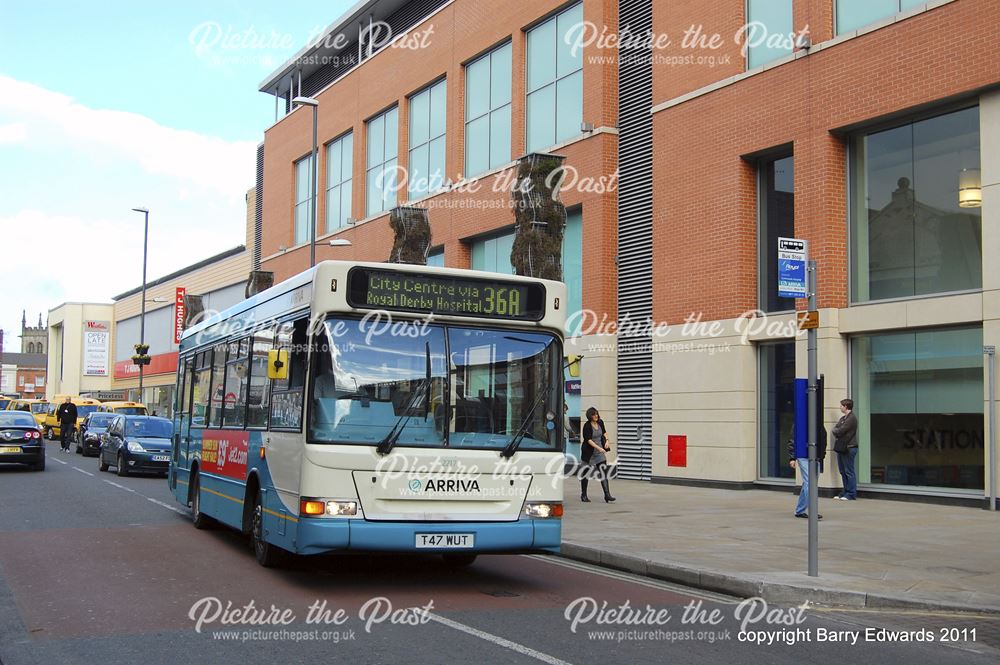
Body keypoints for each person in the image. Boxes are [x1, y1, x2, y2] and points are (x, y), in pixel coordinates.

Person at [787, 423, 826, 519]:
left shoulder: (817, 420)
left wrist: (821, 455)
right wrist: (792, 457)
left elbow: (823, 438)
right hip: (803, 455)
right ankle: (813, 510)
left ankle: (799, 510)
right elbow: (793, 439)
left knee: (808, 483)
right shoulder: (800, 420)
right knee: (810, 482)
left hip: (815, 456)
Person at [581, 407, 615, 503]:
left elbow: (604, 432)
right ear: (590, 416)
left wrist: (607, 441)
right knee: (586, 474)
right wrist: (599, 448)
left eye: (596, 414)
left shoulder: (600, 422)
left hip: (599, 452)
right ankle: (583, 495)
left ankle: (607, 495)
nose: (596, 416)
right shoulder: (587, 426)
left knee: (603, 472)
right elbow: (588, 440)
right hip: (589, 452)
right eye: (594, 414)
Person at [832, 398, 859, 500]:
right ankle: (845, 491)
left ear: (846, 406)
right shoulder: (843, 418)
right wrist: (837, 430)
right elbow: (836, 428)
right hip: (842, 447)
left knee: (849, 471)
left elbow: (839, 431)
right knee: (843, 471)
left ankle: (851, 493)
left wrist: (837, 430)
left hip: (849, 447)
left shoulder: (851, 418)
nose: (840, 407)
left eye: (841, 406)